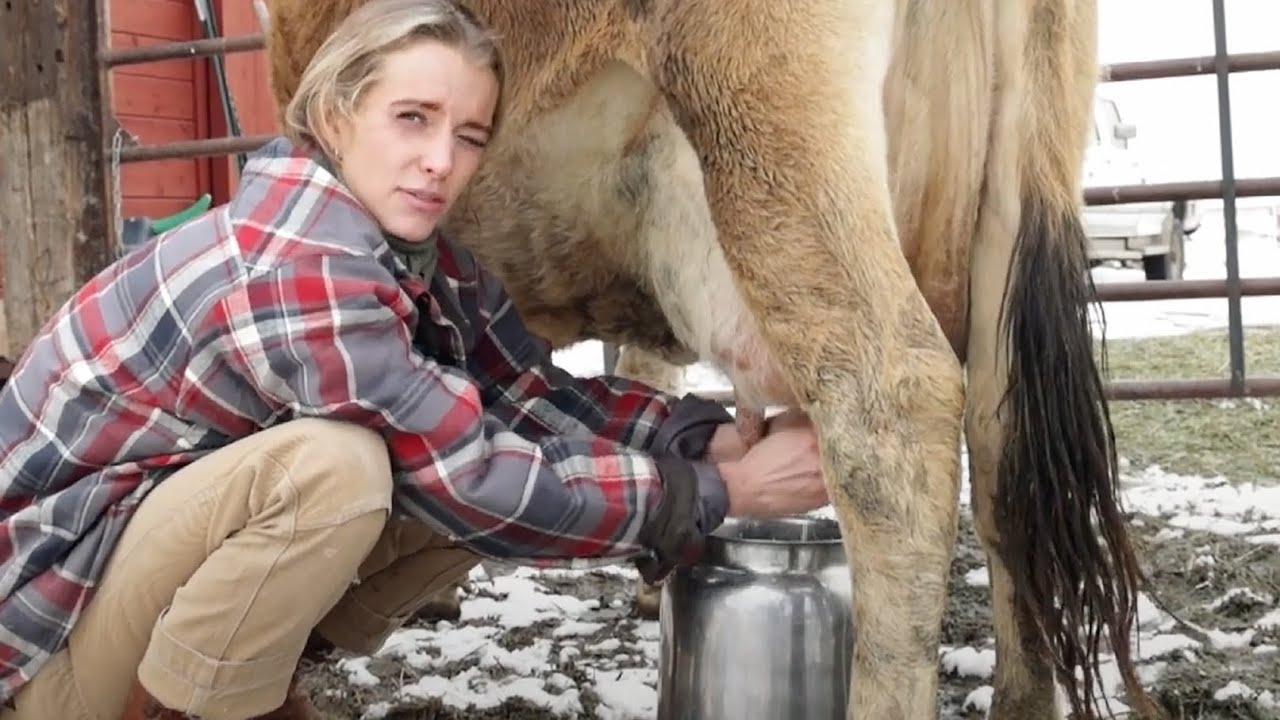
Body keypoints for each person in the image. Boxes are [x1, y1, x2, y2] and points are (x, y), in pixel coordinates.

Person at [0, 0, 830, 718]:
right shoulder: (302, 269)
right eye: (412, 118)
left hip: (122, 588)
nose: (442, 161)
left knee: (490, 441)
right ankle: (204, 706)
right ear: (332, 116)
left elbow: (528, 398)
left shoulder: (416, 257)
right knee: (338, 469)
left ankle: (256, 671)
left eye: (469, 135)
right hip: (45, 657)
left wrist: (702, 440)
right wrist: (725, 494)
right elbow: (474, 482)